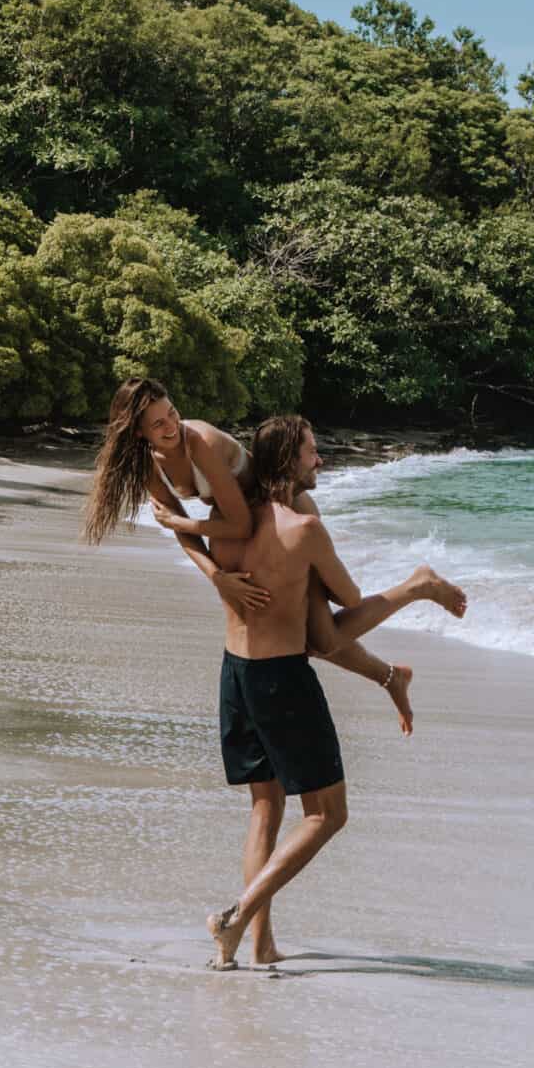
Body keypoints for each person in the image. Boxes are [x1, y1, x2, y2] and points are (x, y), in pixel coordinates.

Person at [81, 378, 464, 736]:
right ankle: (391, 676)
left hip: (283, 516)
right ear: (137, 432)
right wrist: (216, 576)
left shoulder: (201, 442)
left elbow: (235, 523)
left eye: (173, 414)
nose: (171, 427)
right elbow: (181, 528)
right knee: (308, 640)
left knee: (321, 638)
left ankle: (418, 588)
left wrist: (185, 524)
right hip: (251, 527)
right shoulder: (150, 463)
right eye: (158, 424)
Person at [203, 414, 390, 970]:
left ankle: (258, 944)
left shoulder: (229, 521)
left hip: (234, 672)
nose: (320, 461)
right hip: (281, 679)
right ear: (289, 462)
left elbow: (200, 547)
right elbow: (347, 601)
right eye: (312, 453)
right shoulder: (301, 529)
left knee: (266, 808)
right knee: (328, 814)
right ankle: (234, 917)